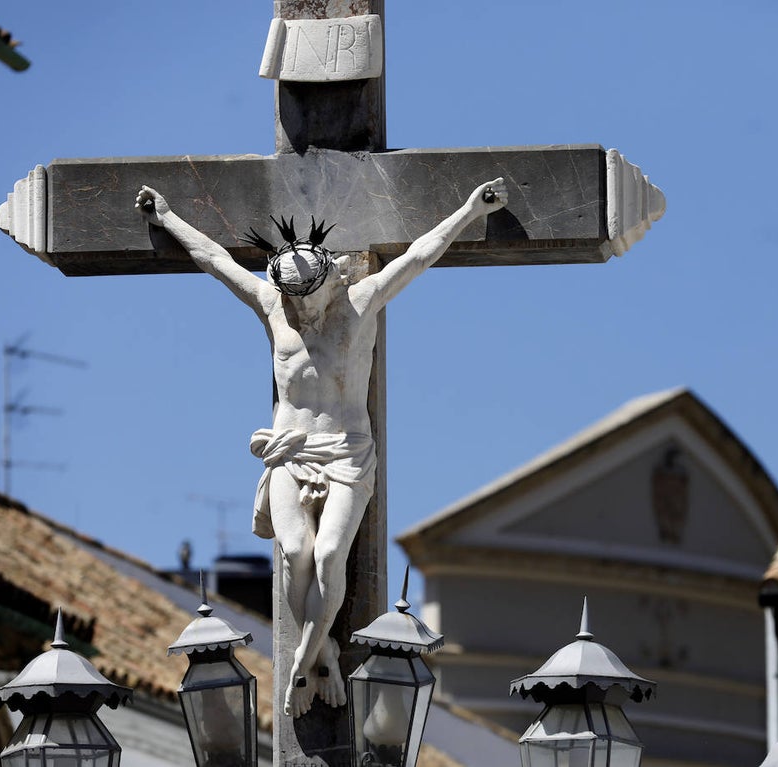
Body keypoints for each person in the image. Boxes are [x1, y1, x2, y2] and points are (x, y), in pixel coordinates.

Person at [135, 179, 508, 717]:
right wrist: (167, 218)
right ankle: (321, 649)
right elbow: (215, 260)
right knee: (293, 554)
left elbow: (421, 253)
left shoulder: (362, 300)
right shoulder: (273, 304)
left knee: (330, 554)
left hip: (347, 451)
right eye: (292, 299)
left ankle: (300, 663)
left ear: (331, 279)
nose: (300, 311)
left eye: (307, 299)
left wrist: (470, 211)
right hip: (289, 449)